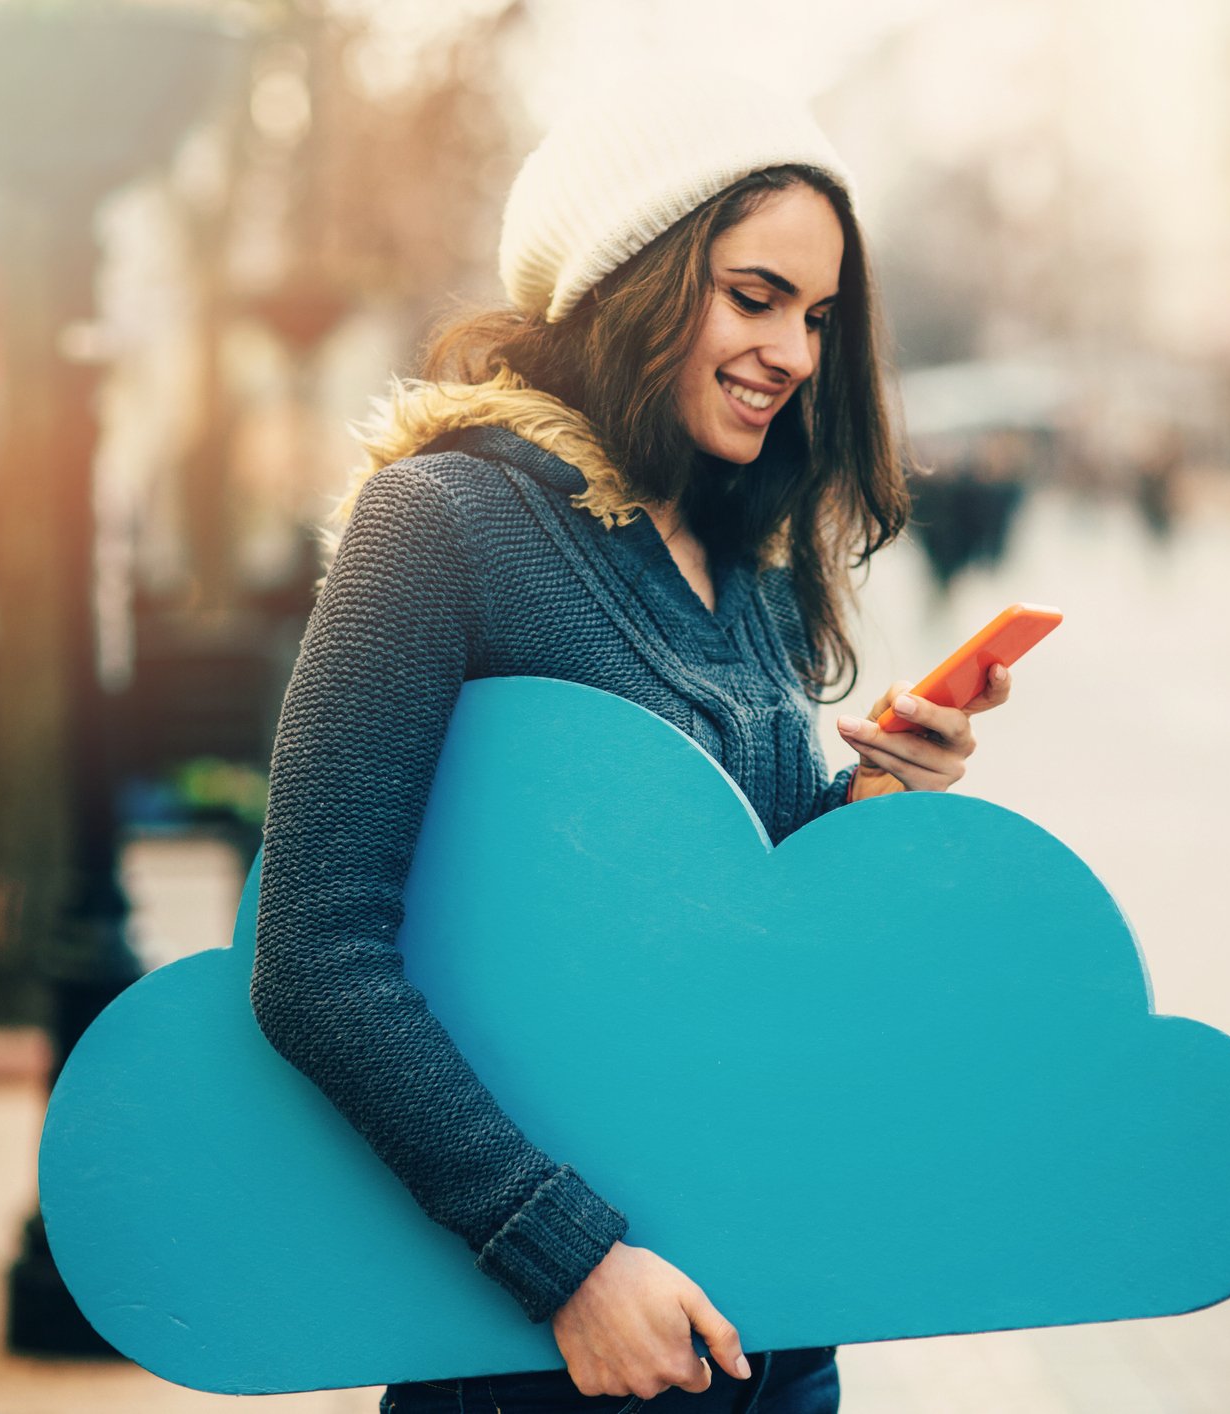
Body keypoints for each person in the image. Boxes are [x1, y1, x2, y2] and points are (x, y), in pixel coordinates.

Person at [249, 79, 1014, 1414]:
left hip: (773, 1330)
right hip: (546, 1355)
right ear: (632, 278)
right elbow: (315, 957)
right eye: (754, 295)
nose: (793, 351)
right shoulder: (437, 524)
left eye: (819, 317)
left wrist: (875, 798)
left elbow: (728, 930)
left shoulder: (747, 560)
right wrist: (566, 1263)